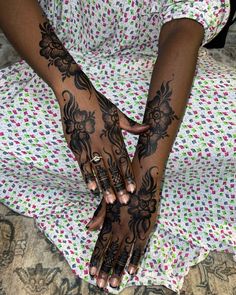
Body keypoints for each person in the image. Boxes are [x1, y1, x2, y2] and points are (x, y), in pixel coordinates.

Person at [0, 0, 234, 292]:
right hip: (61, 66)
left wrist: (146, 175)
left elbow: (182, 25)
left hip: (162, 71)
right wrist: (76, 98)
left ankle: (122, 185)